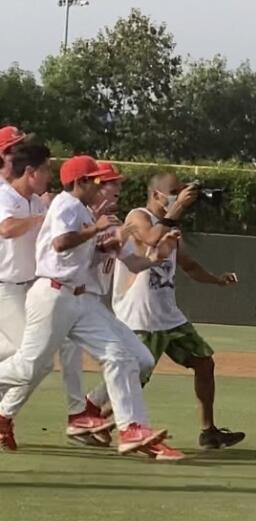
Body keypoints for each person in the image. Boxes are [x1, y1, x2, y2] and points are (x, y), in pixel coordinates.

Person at [0, 155, 168, 454]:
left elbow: (85, 253)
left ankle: (130, 428)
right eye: (99, 181)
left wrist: (107, 243)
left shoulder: (83, 211)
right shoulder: (67, 203)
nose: (105, 186)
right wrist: (97, 231)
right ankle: (82, 416)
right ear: (81, 182)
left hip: (75, 297)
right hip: (53, 293)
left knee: (119, 356)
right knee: (29, 368)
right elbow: (60, 244)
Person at [58, 163, 184, 459]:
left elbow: (134, 263)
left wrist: (156, 258)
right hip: (63, 298)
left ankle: (108, 421)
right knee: (29, 363)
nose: (117, 189)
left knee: (141, 359)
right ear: (94, 186)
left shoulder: (110, 222)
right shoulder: (78, 215)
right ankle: (118, 425)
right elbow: (65, 250)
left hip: (89, 303)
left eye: (116, 183)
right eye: (111, 183)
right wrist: (106, 235)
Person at [110, 173, 245, 449]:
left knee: (204, 362)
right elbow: (149, 238)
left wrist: (217, 280)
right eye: (173, 191)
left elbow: (189, 265)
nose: (178, 195)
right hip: (141, 317)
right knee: (134, 378)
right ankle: (95, 417)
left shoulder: (171, 226)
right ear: (156, 194)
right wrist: (178, 208)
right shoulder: (138, 216)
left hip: (168, 316)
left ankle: (209, 431)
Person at [0, 142, 49, 362]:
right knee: (31, 355)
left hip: (30, 288)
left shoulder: (38, 202)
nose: (48, 176)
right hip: (5, 288)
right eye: (45, 169)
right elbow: (7, 229)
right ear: (30, 172)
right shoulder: (4, 196)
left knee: (27, 354)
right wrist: (40, 219)